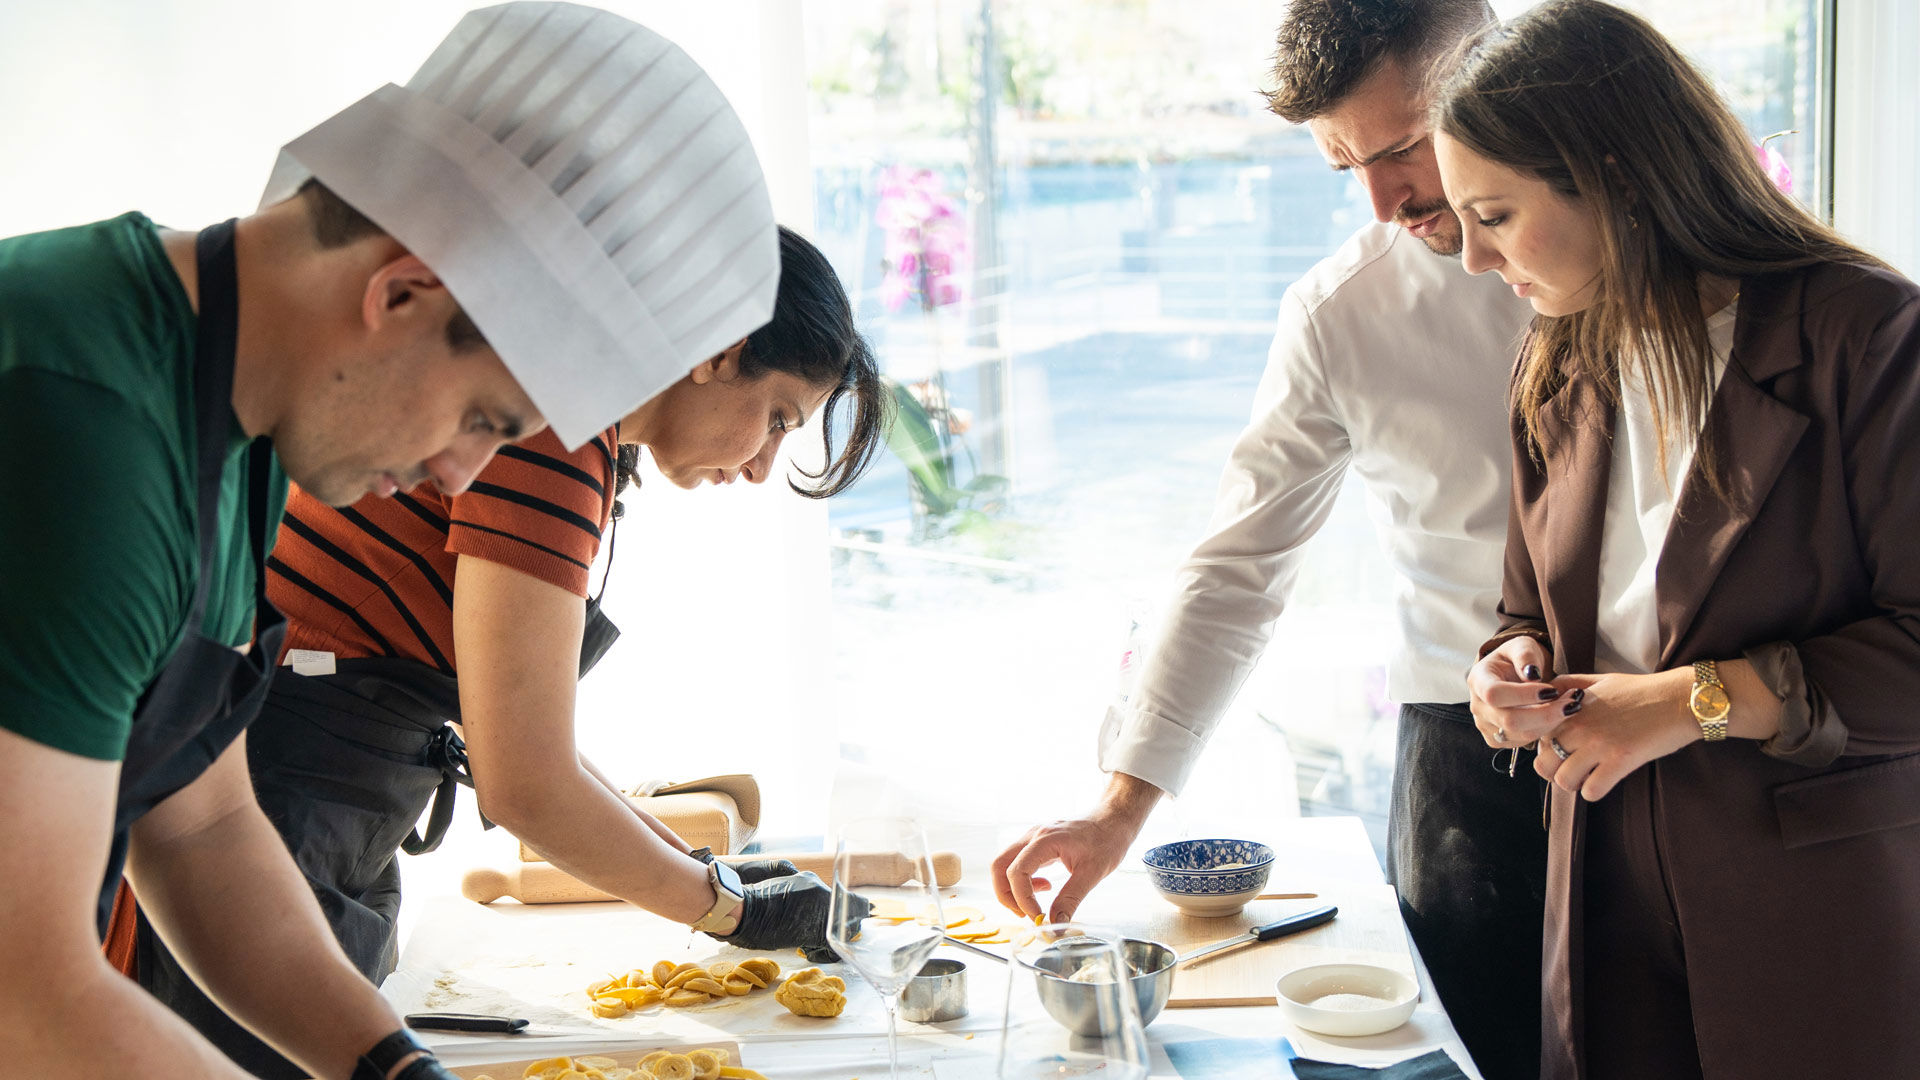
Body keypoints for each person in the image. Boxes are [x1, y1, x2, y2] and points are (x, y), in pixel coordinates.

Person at [0, 4, 783, 1077]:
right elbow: (25, 991)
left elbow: (205, 827)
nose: (462, 477)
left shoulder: (237, 440)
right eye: (483, 421)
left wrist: (394, 1068)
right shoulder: (78, 419)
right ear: (402, 291)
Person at [125, 225, 886, 1076]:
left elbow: (525, 739)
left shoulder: (583, 436)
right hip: (279, 805)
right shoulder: (554, 439)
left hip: (329, 800)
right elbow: (526, 781)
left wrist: (710, 874)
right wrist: (726, 911)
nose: (760, 466)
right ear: (721, 349)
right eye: (778, 418)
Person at [990, 4, 1546, 1077]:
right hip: (1470, 777)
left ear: (1495, 58)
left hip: (1678, 729)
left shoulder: (1666, 259)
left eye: (1399, 147)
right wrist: (1117, 810)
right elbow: (1236, 571)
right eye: (1347, 168)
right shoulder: (1341, 315)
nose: (1386, 200)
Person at [1441, 3, 1920, 1078]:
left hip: (1814, 916)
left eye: (1496, 214)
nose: (1472, 258)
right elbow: (1529, 610)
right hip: (1601, 894)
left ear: (1610, 171)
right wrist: (1505, 670)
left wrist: (1693, 699)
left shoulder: (1868, 336)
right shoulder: (1554, 366)